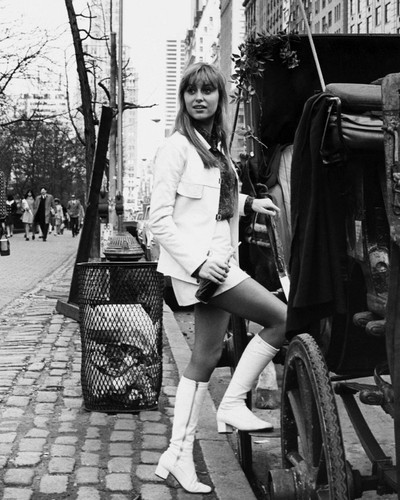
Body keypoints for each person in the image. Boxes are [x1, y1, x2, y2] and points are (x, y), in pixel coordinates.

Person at [149, 62, 287, 494]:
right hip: (205, 269)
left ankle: (177, 456)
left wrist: (249, 205)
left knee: (205, 357)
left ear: (219, 98)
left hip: (221, 263)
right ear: (183, 99)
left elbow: (214, 198)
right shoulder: (175, 148)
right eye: (191, 91)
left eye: (207, 91)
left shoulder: (213, 148)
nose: (199, 98)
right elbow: (158, 220)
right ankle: (232, 402)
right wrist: (197, 265)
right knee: (282, 319)